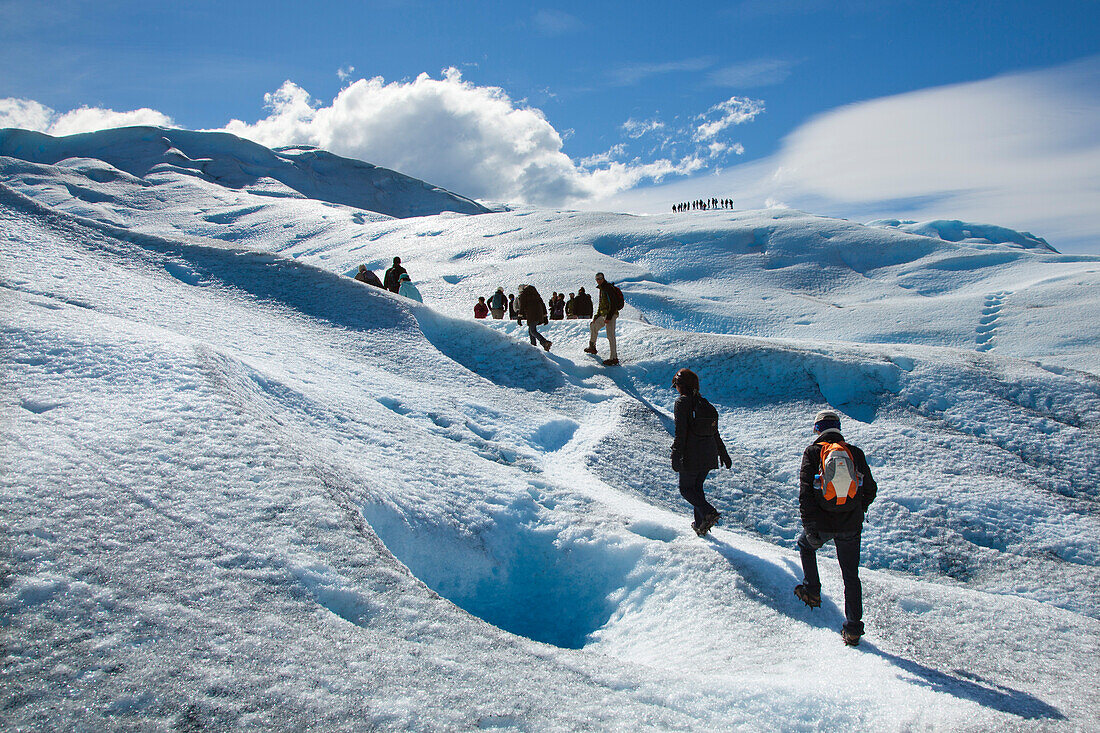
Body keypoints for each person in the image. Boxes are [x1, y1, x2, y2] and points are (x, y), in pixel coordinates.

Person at [794, 409, 878, 647]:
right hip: (850, 526)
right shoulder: (854, 453)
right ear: (838, 428)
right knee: (851, 576)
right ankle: (852, 629)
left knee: (805, 546)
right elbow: (870, 489)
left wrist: (810, 526)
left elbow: (806, 494)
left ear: (818, 430)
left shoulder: (812, 452)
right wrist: (856, 509)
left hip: (820, 525)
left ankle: (812, 589)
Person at [670, 368, 731, 537]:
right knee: (696, 488)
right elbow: (715, 433)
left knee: (686, 489)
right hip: (708, 455)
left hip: (692, 455)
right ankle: (700, 525)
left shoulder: (682, 403)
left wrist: (676, 455)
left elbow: (680, 433)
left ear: (680, 385)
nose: (675, 388)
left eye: (676, 385)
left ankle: (708, 512)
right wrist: (723, 453)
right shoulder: (705, 404)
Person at [584, 272, 620, 366]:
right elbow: (601, 304)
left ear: (603, 278)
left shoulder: (608, 288)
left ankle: (614, 358)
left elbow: (613, 304)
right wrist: (596, 316)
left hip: (610, 315)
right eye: (597, 279)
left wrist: (608, 317)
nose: (598, 280)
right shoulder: (602, 289)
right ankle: (592, 346)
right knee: (593, 326)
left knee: (610, 335)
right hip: (604, 314)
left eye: (600, 278)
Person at [516, 284, 552, 351]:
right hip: (539, 314)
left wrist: (519, 317)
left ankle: (544, 342)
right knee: (531, 331)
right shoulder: (536, 294)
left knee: (532, 331)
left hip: (532, 314)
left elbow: (522, 306)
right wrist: (545, 316)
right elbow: (543, 304)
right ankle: (534, 347)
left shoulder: (524, 294)